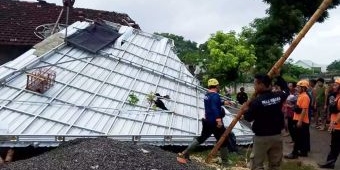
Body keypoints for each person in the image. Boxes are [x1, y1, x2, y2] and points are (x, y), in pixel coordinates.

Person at [177, 78, 235, 163]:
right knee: (224, 139)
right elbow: (214, 108)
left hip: (207, 121)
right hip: (215, 122)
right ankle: (225, 160)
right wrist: (218, 120)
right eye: (218, 85)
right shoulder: (216, 96)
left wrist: (224, 102)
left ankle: (185, 152)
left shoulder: (207, 95)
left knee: (202, 138)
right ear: (217, 86)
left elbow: (213, 103)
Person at [242, 74, 289, 170]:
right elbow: (286, 89)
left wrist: (245, 109)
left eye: (255, 84)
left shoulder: (256, 102)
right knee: (275, 165)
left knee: (257, 165)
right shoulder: (279, 96)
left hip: (261, 138)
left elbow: (248, 118)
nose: (254, 87)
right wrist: (279, 77)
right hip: (277, 136)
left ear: (262, 85)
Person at [285, 79, 311, 159]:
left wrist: (299, 121)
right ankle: (303, 151)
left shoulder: (305, 97)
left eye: (299, 87)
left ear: (303, 88)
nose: (297, 88)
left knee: (298, 137)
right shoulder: (300, 95)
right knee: (302, 137)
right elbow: (298, 108)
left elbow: (304, 110)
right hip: (299, 118)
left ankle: (294, 153)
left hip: (301, 120)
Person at [318, 78, 340, 169]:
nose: (333, 86)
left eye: (336, 85)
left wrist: (334, 123)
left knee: (335, 145)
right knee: (334, 145)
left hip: (338, 126)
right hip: (335, 125)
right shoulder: (336, 96)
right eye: (333, 85)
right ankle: (330, 163)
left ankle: (330, 163)